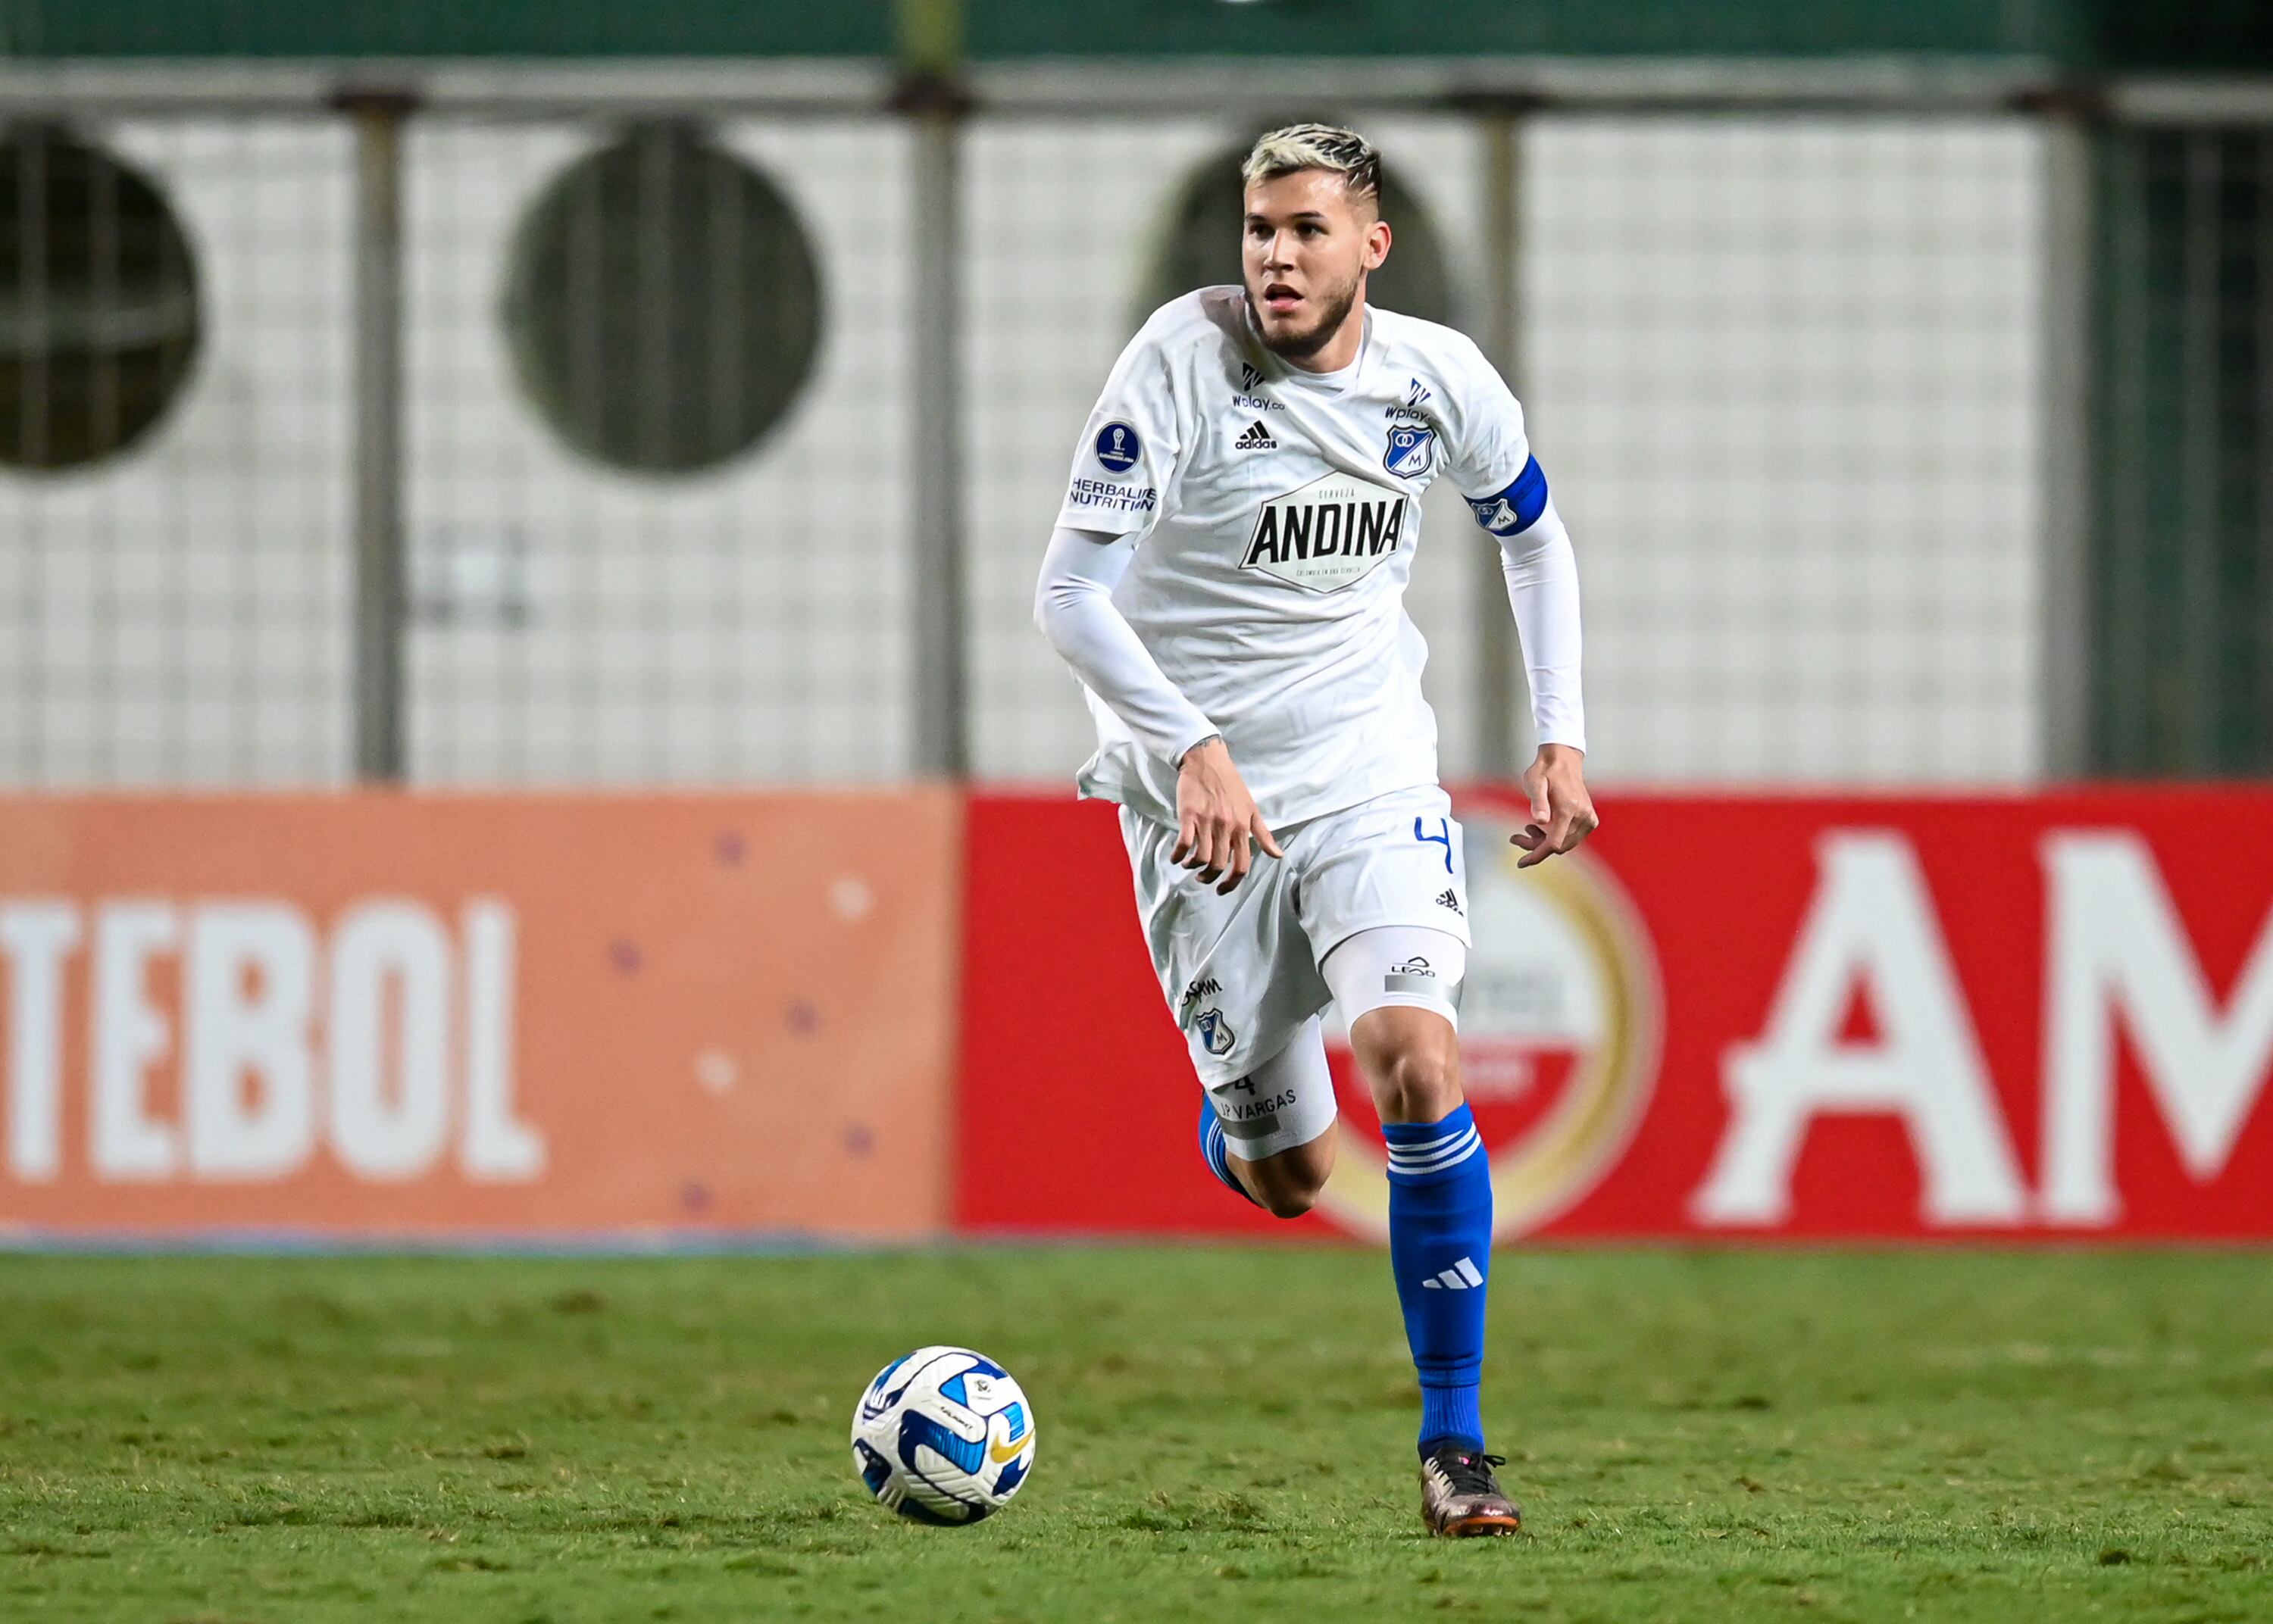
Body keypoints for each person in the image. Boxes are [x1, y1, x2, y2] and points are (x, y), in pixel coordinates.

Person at [1033, 123, 1595, 1538]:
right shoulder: (1179, 361)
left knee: (1415, 1057)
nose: (1275, 258)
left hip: (1366, 771)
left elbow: (1531, 534)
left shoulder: (1438, 381)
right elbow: (1070, 594)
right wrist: (1194, 748)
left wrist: (1562, 732)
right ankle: (1246, 1129)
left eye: (1304, 231)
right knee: (1293, 1175)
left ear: (1370, 246)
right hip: (1194, 811)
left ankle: (1456, 1447)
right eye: (1258, 231)